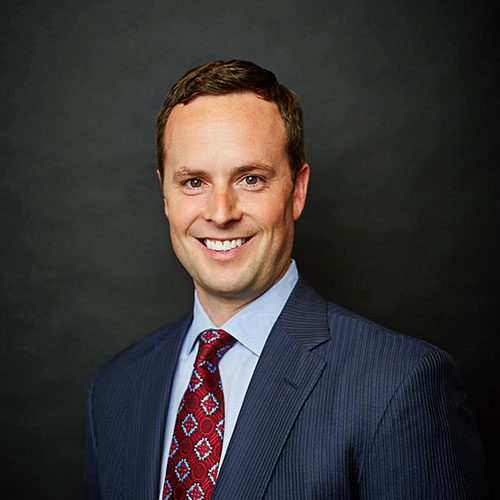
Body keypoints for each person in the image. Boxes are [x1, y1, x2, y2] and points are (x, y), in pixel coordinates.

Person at [84, 60, 489, 499]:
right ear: (165, 194)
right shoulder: (115, 387)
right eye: (194, 182)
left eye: (251, 179)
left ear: (297, 189)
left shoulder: (400, 382)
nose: (220, 213)